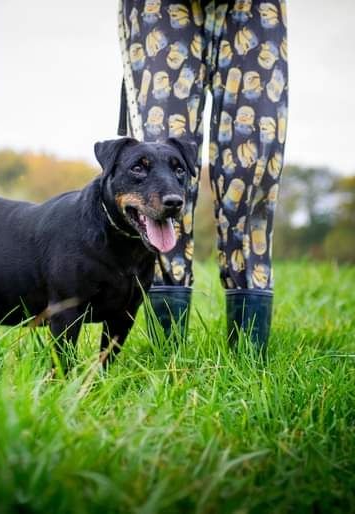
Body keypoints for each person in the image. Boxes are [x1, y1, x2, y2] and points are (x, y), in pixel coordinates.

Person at [117, 0, 288, 353]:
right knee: (159, 180)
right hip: (161, 9)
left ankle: (249, 360)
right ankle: (168, 358)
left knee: (251, 172)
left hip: (253, 8)